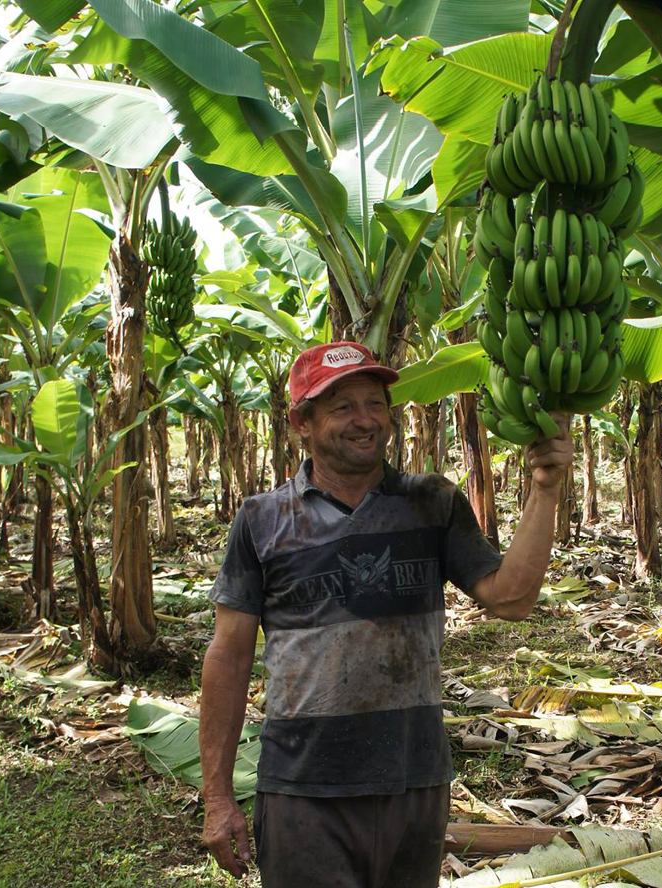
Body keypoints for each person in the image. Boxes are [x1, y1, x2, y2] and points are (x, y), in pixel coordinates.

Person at [198, 341, 573, 888]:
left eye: (375, 404)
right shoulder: (262, 521)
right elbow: (228, 659)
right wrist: (218, 797)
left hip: (413, 782)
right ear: (301, 422)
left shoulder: (433, 503)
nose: (364, 420)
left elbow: (510, 598)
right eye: (342, 407)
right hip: (304, 788)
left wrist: (545, 489)